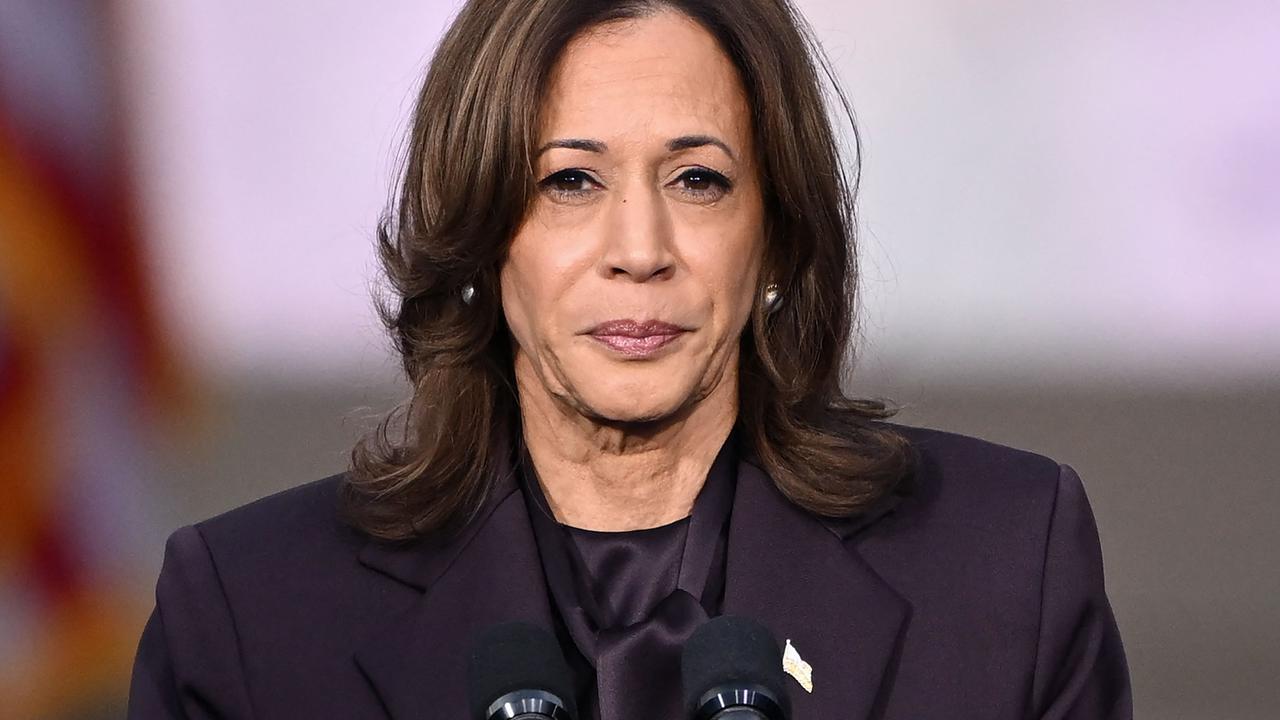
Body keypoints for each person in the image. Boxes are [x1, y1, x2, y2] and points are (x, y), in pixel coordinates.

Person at [127, 1, 1132, 718]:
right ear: (482, 232)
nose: (640, 249)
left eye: (697, 179)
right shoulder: (253, 613)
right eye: (569, 181)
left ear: (775, 232)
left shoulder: (1001, 566)